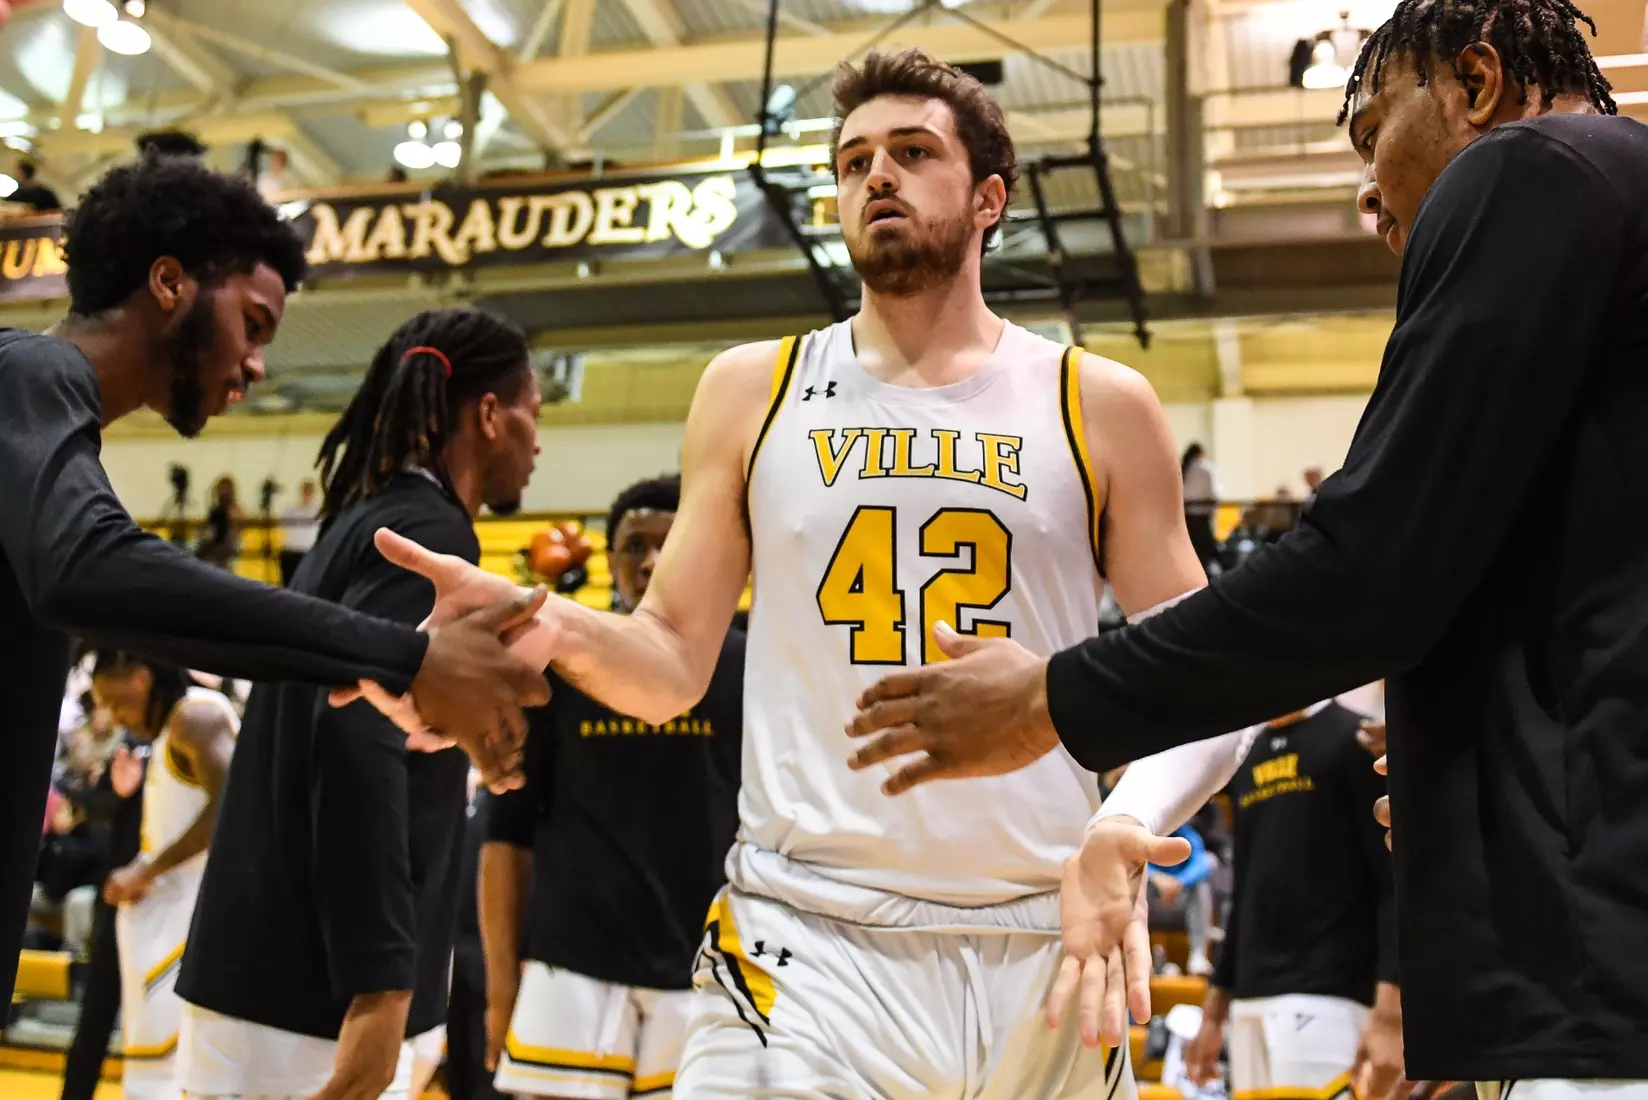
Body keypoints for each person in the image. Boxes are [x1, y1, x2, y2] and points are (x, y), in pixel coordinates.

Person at [356, 48, 1251, 1099]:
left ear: (989, 198)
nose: (878, 175)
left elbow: (1214, 679)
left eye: (913, 152)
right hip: (805, 939)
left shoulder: (1097, 400)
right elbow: (671, 660)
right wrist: (547, 623)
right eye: (853, 160)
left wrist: (1123, 820)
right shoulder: (752, 389)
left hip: (1044, 936)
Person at [841, 0, 1648, 1093]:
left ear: (1476, 82)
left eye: (1373, 134)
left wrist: (1050, 698)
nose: (1367, 192)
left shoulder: (1533, 167)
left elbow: (1368, 569)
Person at [0, 153, 549, 1003]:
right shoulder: (26, 374)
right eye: (252, 325)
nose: (256, 364)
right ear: (170, 284)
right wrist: (406, 657)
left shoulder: (46, 432)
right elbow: (91, 567)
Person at [175, 306, 544, 1100]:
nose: (538, 443)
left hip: (270, 977)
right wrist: (382, 983)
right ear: (489, 415)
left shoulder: (362, 522)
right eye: (533, 414)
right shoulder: (425, 533)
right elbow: (357, 733)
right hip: (318, 1001)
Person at [482, 473, 745, 1100]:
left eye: (668, 544)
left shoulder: (749, 662)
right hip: (571, 966)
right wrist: (500, 990)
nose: (650, 561)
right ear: (609, 558)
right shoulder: (560, 662)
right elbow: (505, 836)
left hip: (709, 968)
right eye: (634, 545)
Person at [1176, 702, 1402, 1100]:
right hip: (1249, 1000)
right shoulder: (1248, 753)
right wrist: (1214, 1013)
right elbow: (1244, 887)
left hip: (1331, 998)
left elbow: (1393, 881)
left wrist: (1391, 1012)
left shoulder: (1358, 740)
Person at [83, 650, 238, 1100]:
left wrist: (148, 869)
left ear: (140, 678)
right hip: (172, 918)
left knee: (181, 1075)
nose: (114, 715)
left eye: (115, 701)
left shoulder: (197, 716)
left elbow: (229, 806)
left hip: (197, 920)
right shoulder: (176, 723)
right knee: (158, 1074)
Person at [1180, 443, 1219, 572]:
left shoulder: (1185, 468)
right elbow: (1213, 493)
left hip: (1186, 516)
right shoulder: (1205, 469)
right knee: (1203, 552)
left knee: (1190, 551)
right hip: (1201, 515)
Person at [279, 479, 321, 585]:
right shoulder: (291, 511)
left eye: (309, 491)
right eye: (305, 491)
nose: (307, 494)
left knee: (307, 584)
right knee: (288, 584)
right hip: (291, 552)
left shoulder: (320, 511)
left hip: (309, 553)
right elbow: (284, 528)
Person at [195, 476, 241, 569]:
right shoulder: (215, 510)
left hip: (227, 545)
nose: (222, 492)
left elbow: (234, 534)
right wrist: (202, 535)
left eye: (225, 489)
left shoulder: (234, 510)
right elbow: (206, 528)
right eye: (220, 489)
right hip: (214, 544)